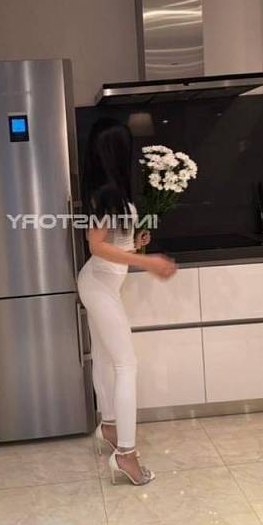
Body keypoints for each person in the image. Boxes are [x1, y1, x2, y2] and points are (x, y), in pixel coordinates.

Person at [77, 118, 176, 486]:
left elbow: (113, 245)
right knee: (126, 364)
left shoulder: (111, 192)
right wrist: (148, 262)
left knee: (106, 359)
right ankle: (126, 455)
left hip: (101, 282)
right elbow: (96, 246)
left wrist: (135, 243)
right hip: (98, 284)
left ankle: (109, 427)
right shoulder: (106, 193)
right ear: (118, 151)